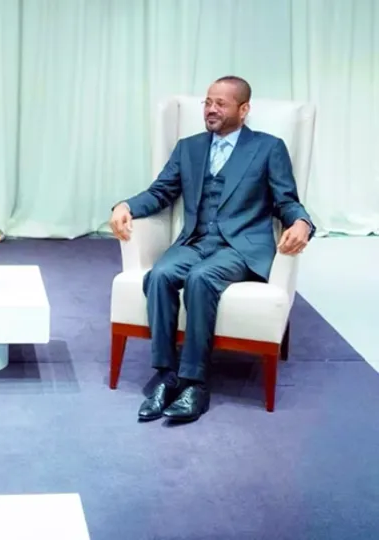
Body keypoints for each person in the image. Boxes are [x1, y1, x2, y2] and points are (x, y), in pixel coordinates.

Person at [109, 76, 314, 423]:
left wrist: (302, 223)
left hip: (241, 247)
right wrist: (124, 205)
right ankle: (166, 375)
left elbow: (286, 201)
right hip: (195, 241)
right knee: (159, 275)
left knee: (201, 279)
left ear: (244, 109)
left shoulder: (268, 147)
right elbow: (160, 192)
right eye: (207, 102)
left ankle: (195, 383)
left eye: (221, 103)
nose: (211, 109)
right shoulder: (188, 147)